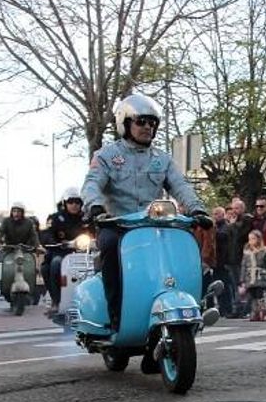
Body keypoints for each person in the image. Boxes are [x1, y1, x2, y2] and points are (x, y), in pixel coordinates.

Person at [81, 93, 210, 331]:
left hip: (153, 227)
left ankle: (192, 303)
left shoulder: (162, 160)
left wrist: (197, 209)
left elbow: (180, 185)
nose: (148, 127)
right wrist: (95, 207)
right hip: (117, 226)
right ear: (125, 123)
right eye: (141, 121)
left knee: (183, 245)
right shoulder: (106, 156)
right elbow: (92, 184)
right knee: (109, 246)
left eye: (152, 123)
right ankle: (115, 312)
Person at [42, 187, 88, 314]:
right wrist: (53, 242)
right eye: (70, 202)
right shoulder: (55, 218)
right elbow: (46, 234)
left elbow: (96, 232)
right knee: (54, 264)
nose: (74, 205)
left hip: (85, 253)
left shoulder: (86, 218)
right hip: (62, 252)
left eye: (77, 202)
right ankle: (56, 301)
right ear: (64, 203)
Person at [227, 198, 253, 317]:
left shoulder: (247, 219)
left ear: (242, 208)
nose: (234, 211)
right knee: (235, 284)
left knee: (243, 283)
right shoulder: (233, 221)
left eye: (237, 208)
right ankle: (237, 308)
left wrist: (233, 225)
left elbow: (241, 236)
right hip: (233, 257)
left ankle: (245, 308)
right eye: (233, 208)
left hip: (242, 256)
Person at [240, 230, 266, 321]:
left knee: (260, 295)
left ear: (259, 239)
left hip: (260, 277)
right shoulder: (246, 252)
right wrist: (242, 280)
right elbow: (244, 265)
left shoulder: (264, 251)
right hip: (250, 277)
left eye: (253, 239)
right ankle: (255, 313)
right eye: (250, 239)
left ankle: (263, 312)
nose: (251, 241)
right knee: (252, 295)